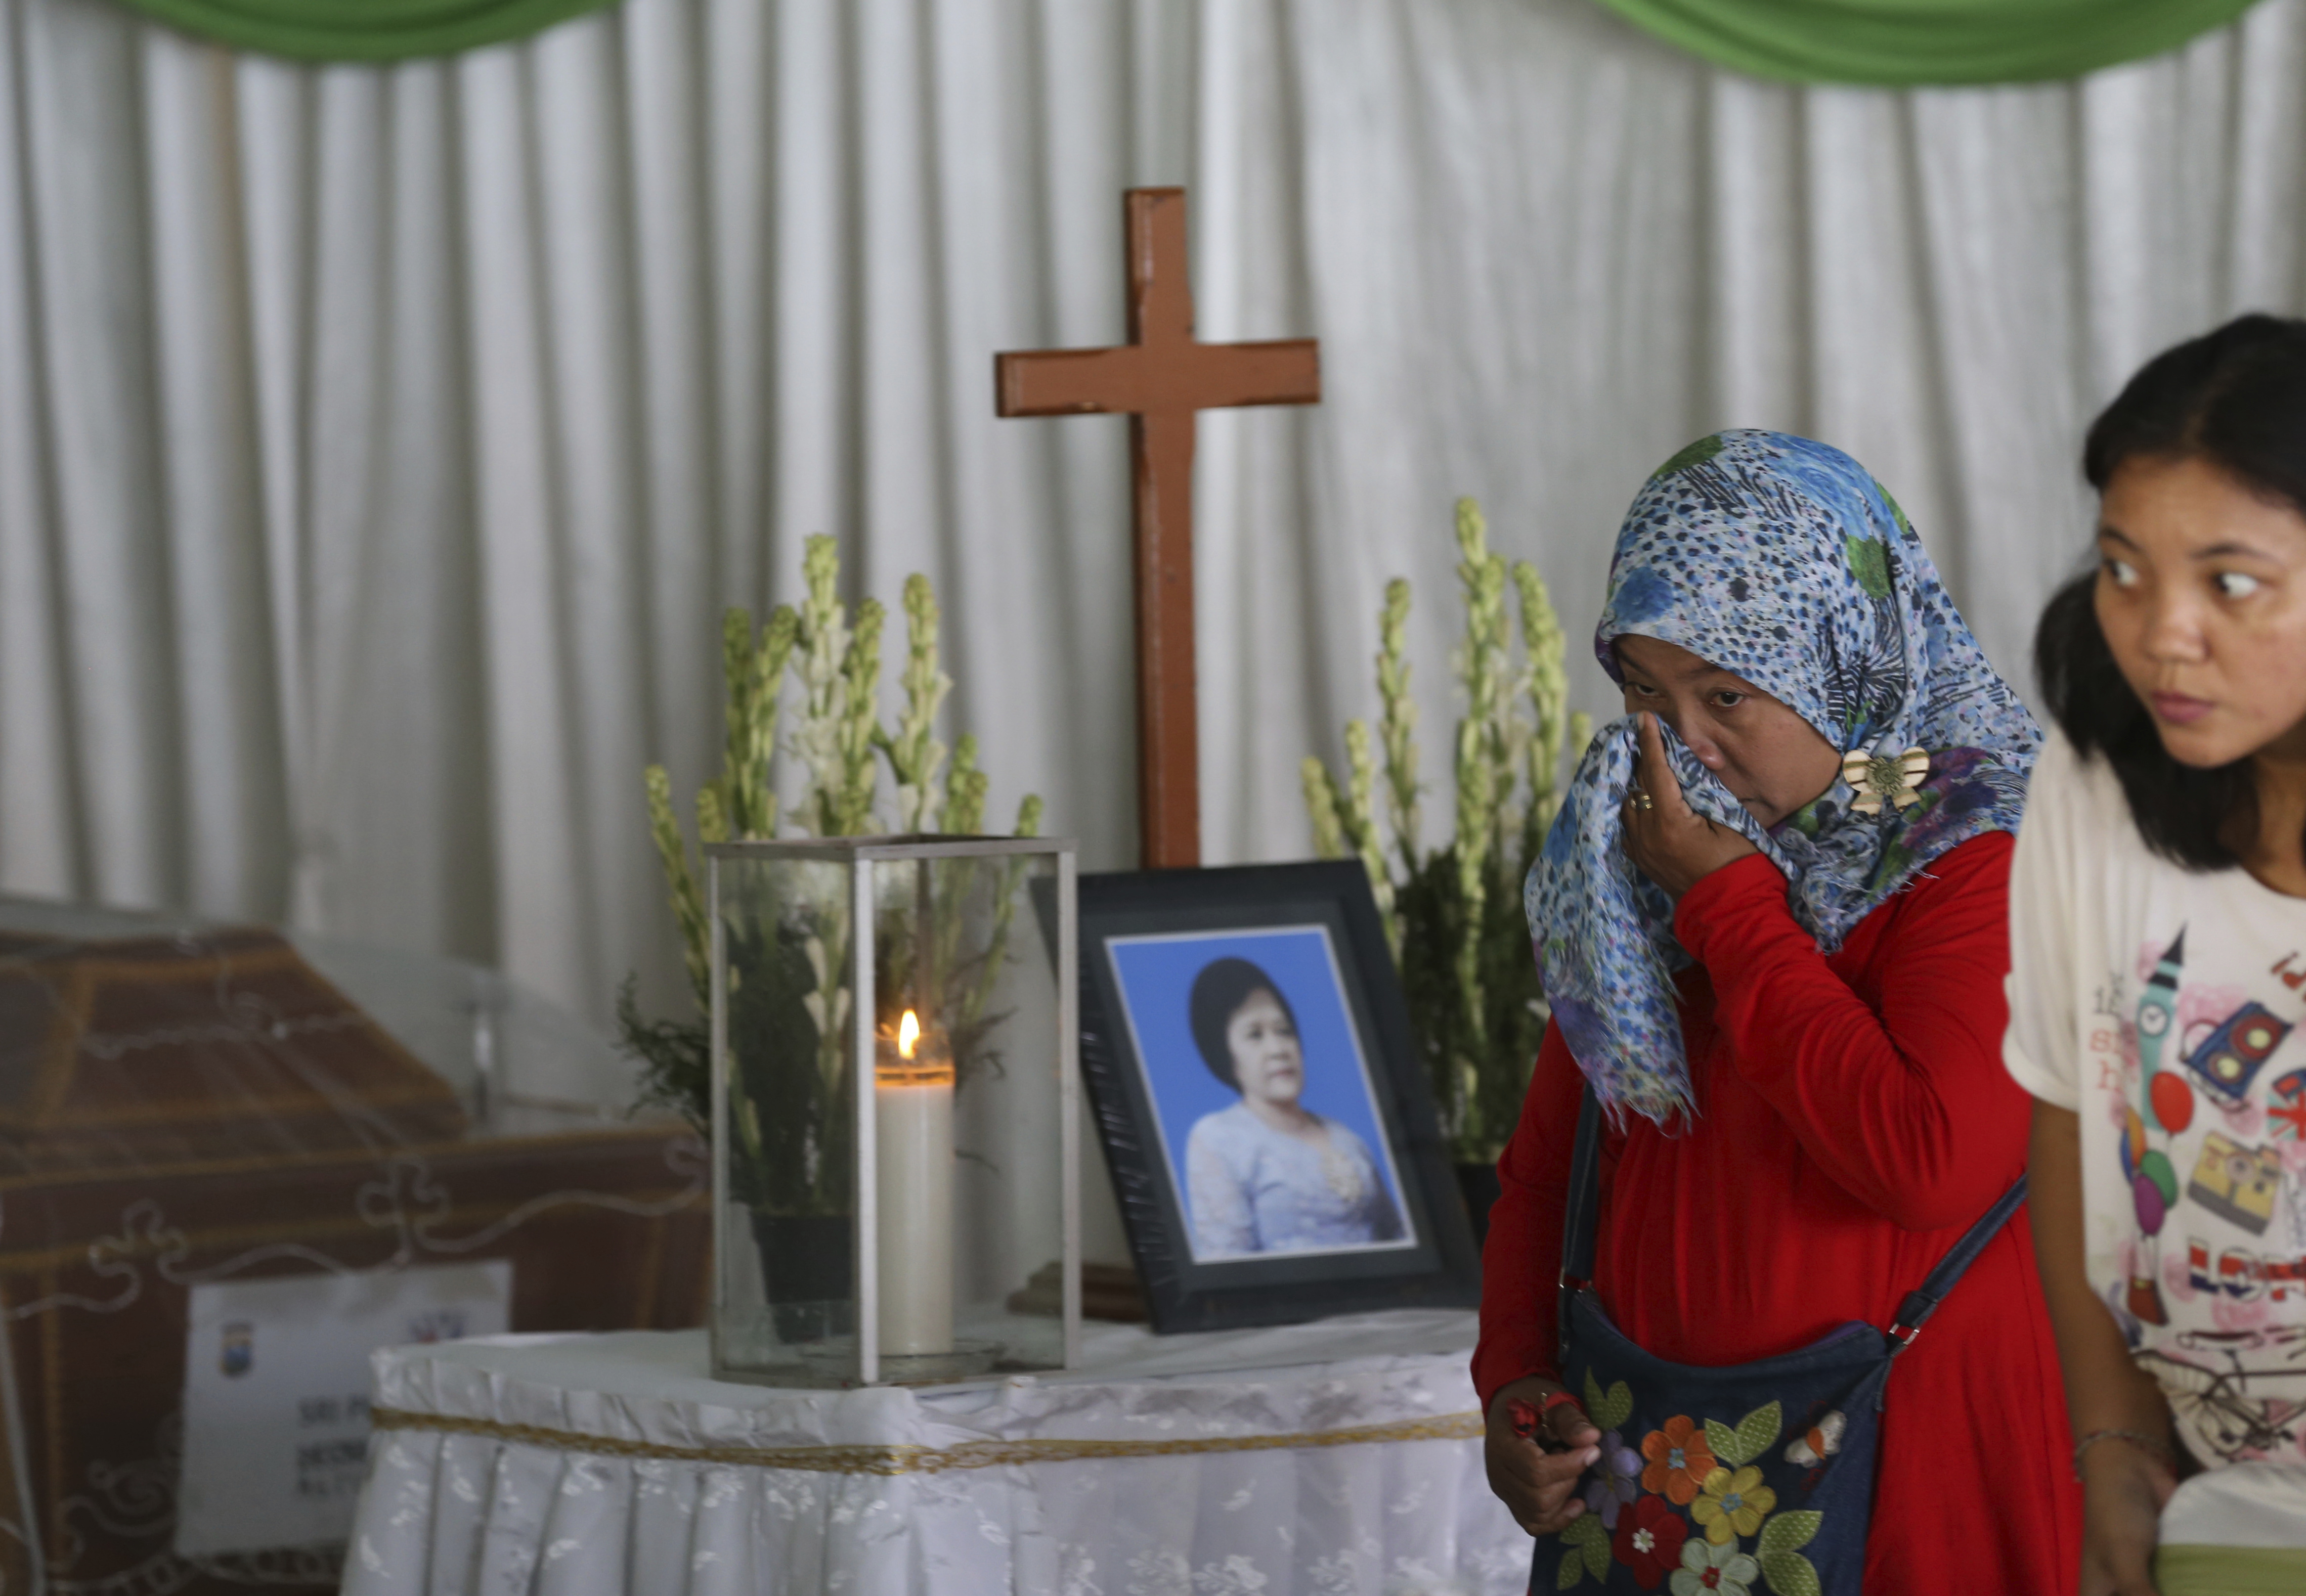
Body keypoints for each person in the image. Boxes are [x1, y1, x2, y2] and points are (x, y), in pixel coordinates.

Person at [1478, 430, 2077, 1593]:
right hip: (1661, 1485)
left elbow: (1927, 1159)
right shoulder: (1647, 862)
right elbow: (1549, 1173)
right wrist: (1514, 1377)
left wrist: (1729, 909)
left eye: (1726, 695)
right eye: (1643, 691)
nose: (1678, 744)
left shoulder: (1985, 859)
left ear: (1843, 665)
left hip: (1914, 1488)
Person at [2006, 314, 2306, 1595]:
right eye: (2124, 568)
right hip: (2213, 1489)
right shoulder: (2091, 786)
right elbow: (2075, 1104)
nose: (2162, 630)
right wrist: (2115, 1443)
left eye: (2230, 582)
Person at [1182, 956, 1404, 1256]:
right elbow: (1227, 1265)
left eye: (1284, 1030)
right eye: (1255, 1035)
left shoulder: (1348, 1140)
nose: (1278, 1049)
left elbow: (1401, 1241)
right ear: (1225, 1056)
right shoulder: (1218, 1139)